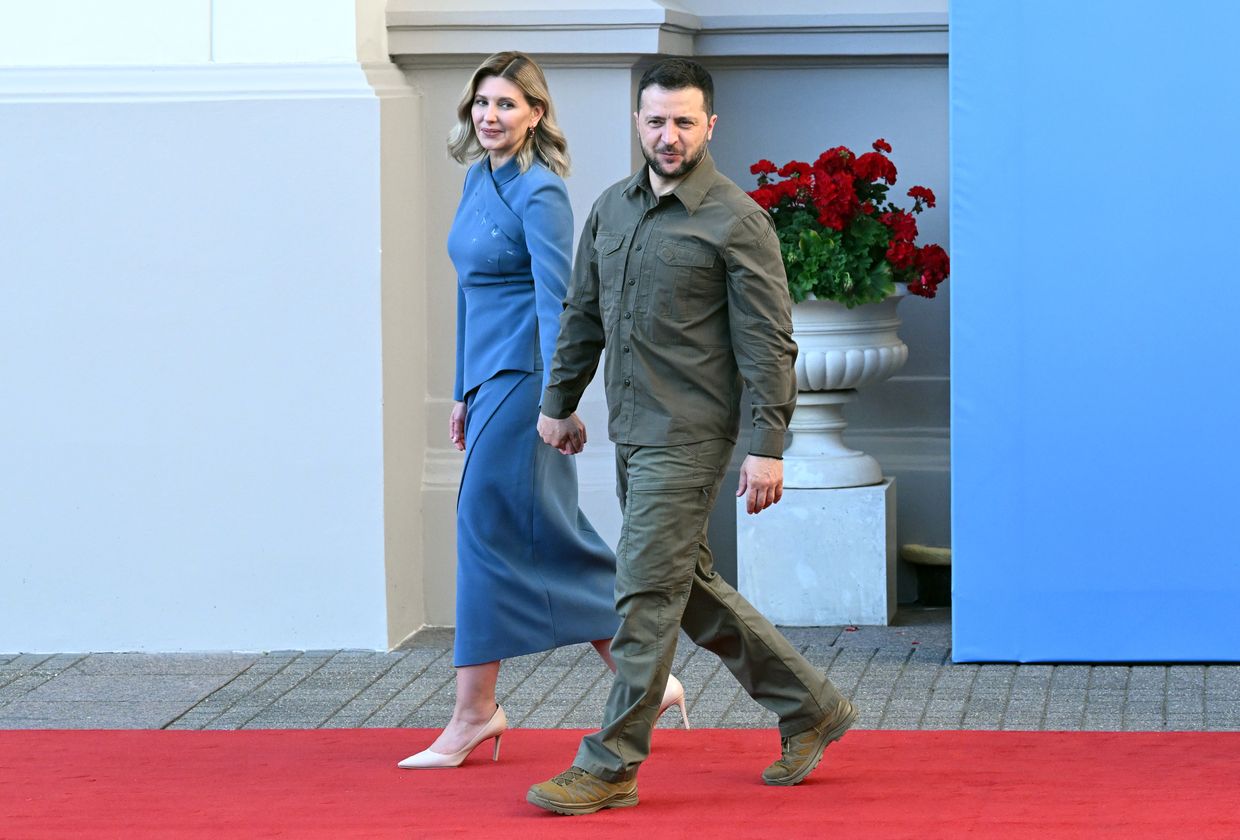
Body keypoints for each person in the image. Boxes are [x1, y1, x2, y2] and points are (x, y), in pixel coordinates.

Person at [527, 58, 857, 813]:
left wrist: (767, 445)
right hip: (634, 433)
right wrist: (559, 401)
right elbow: (583, 315)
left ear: (711, 125)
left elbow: (769, 343)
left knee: (643, 594)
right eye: (655, 120)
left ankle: (610, 764)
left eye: (683, 121)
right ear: (637, 123)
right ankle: (811, 706)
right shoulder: (611, 209)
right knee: (691, 592)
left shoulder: (737, 220)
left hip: (692, 436)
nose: (668, 135)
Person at [398, 52, 686, 771]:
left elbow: (561, 303)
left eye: (506, 105)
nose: (490, 117)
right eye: (482, 104)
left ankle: (474, 714)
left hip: (529, 380)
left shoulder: (541, 193)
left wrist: (560, 402)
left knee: (486, 529)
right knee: (547, 533)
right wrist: (464, 393)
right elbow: (467, 294)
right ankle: (639, 676)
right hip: (489, 382)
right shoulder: (476, 180)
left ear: (536, 115)